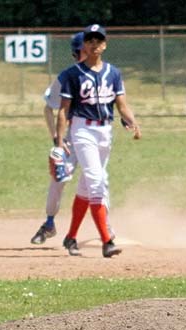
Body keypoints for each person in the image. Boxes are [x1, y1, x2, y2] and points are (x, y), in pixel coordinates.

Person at [55, 24, 139, 259]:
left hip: (105, 132)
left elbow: (121, 104)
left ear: (104, 44)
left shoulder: (113, 73)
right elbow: (63, 110)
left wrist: (132, 121)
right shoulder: (73, 74)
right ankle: (107, 241)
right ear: (84, 44)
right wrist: (59, 140)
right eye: (89, 40)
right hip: (82, 130)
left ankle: (70, 237)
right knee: (96, 181)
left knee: (86, 187)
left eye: (98, 40)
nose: (94, 43)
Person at [29, 33, 85, 246]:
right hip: (70, 136)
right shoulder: (66, 77)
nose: (87, 52)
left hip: (93, 134)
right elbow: (48, 109)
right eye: (83, 50)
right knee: (58, 177)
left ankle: (105, 228)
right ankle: (49, 224)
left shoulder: (102, 73)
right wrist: (57, 139)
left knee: (96, 182)